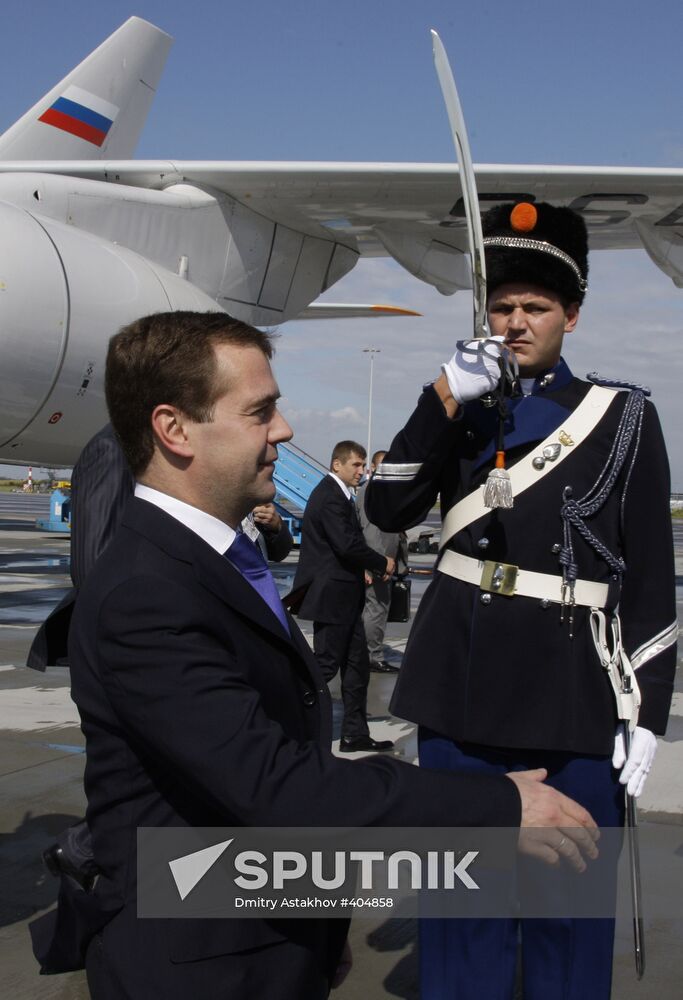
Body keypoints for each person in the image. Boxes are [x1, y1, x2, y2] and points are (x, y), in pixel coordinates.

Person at [65, 310, 598, 999]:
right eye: (260, 412)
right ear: (174, 429)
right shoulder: (147, 591)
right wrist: (495, 807)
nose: (283, 430)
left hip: (256, 934)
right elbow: (277, 785)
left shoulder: (210, 557)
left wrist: (312, 923)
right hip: (200, 965)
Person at [366, 202, 678, 1000]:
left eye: (534, 307)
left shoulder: (624, 418)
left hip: (571, 698)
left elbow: (646, 582)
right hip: (459, 696)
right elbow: (388, 509)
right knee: (459, 919)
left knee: (564, 922)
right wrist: (441, 396)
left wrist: (646, 717)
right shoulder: (458, 407)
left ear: (570, 315)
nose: (513, 322)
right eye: (500, 307)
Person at [292, 441, 396, 752]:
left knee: (357, 668)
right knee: (323, 667)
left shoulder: (339, 494)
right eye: (356, 465)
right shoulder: (330, 497)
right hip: (332, 596)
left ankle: (354, 734)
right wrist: (380, 563)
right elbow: (347, 544)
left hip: (344, 596)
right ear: (337, 464)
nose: (361, 471)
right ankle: (290, 728)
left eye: (363, 466)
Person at [357, 450, 405, 673]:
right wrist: (377, 563)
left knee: (377, 608)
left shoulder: (387, 492)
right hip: (377, 562)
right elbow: (369, 531)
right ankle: (372, 656)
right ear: (374, 469)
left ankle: (368, 653)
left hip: (387, 560)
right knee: (375, 609)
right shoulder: (370, 491)